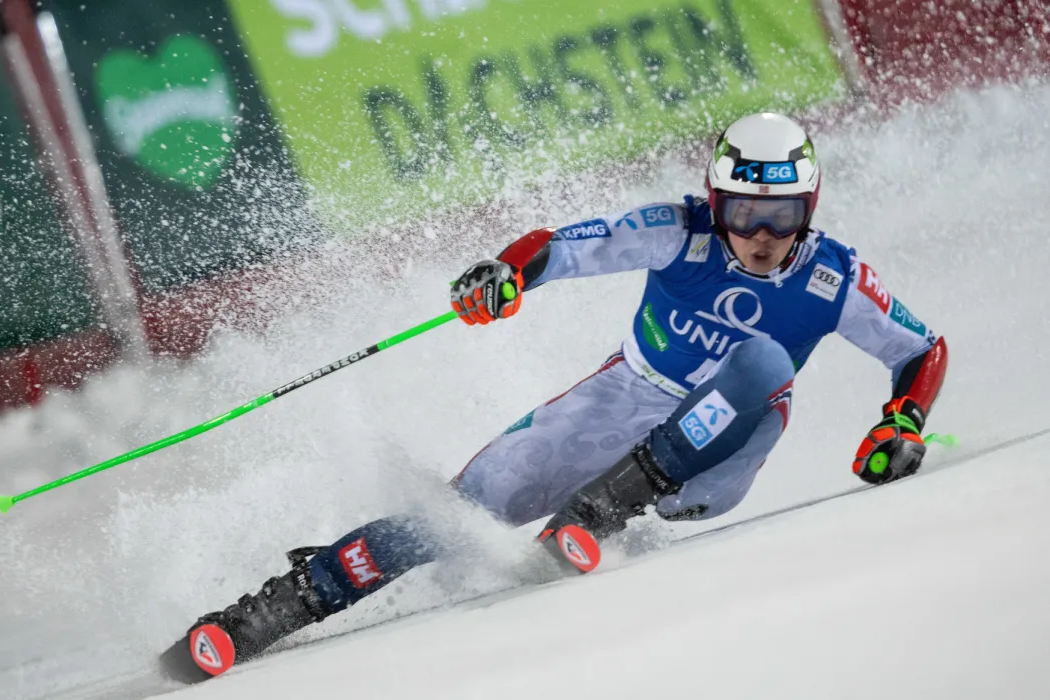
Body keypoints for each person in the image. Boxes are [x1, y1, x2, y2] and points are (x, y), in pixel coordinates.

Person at [170, 112, 948, 679]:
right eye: (743, 212)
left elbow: (921, 350)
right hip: (620, 403)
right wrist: (505, 274)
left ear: (806, 211)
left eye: (781, 216)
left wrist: (902, 421)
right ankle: (277, 608)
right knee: (464, 509)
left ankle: (599, 511)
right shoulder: (679, 232)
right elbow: (562, 248)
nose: (761, 234)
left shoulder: (832, 275)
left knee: (763, 362)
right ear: (715, 202)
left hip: (723, 451)